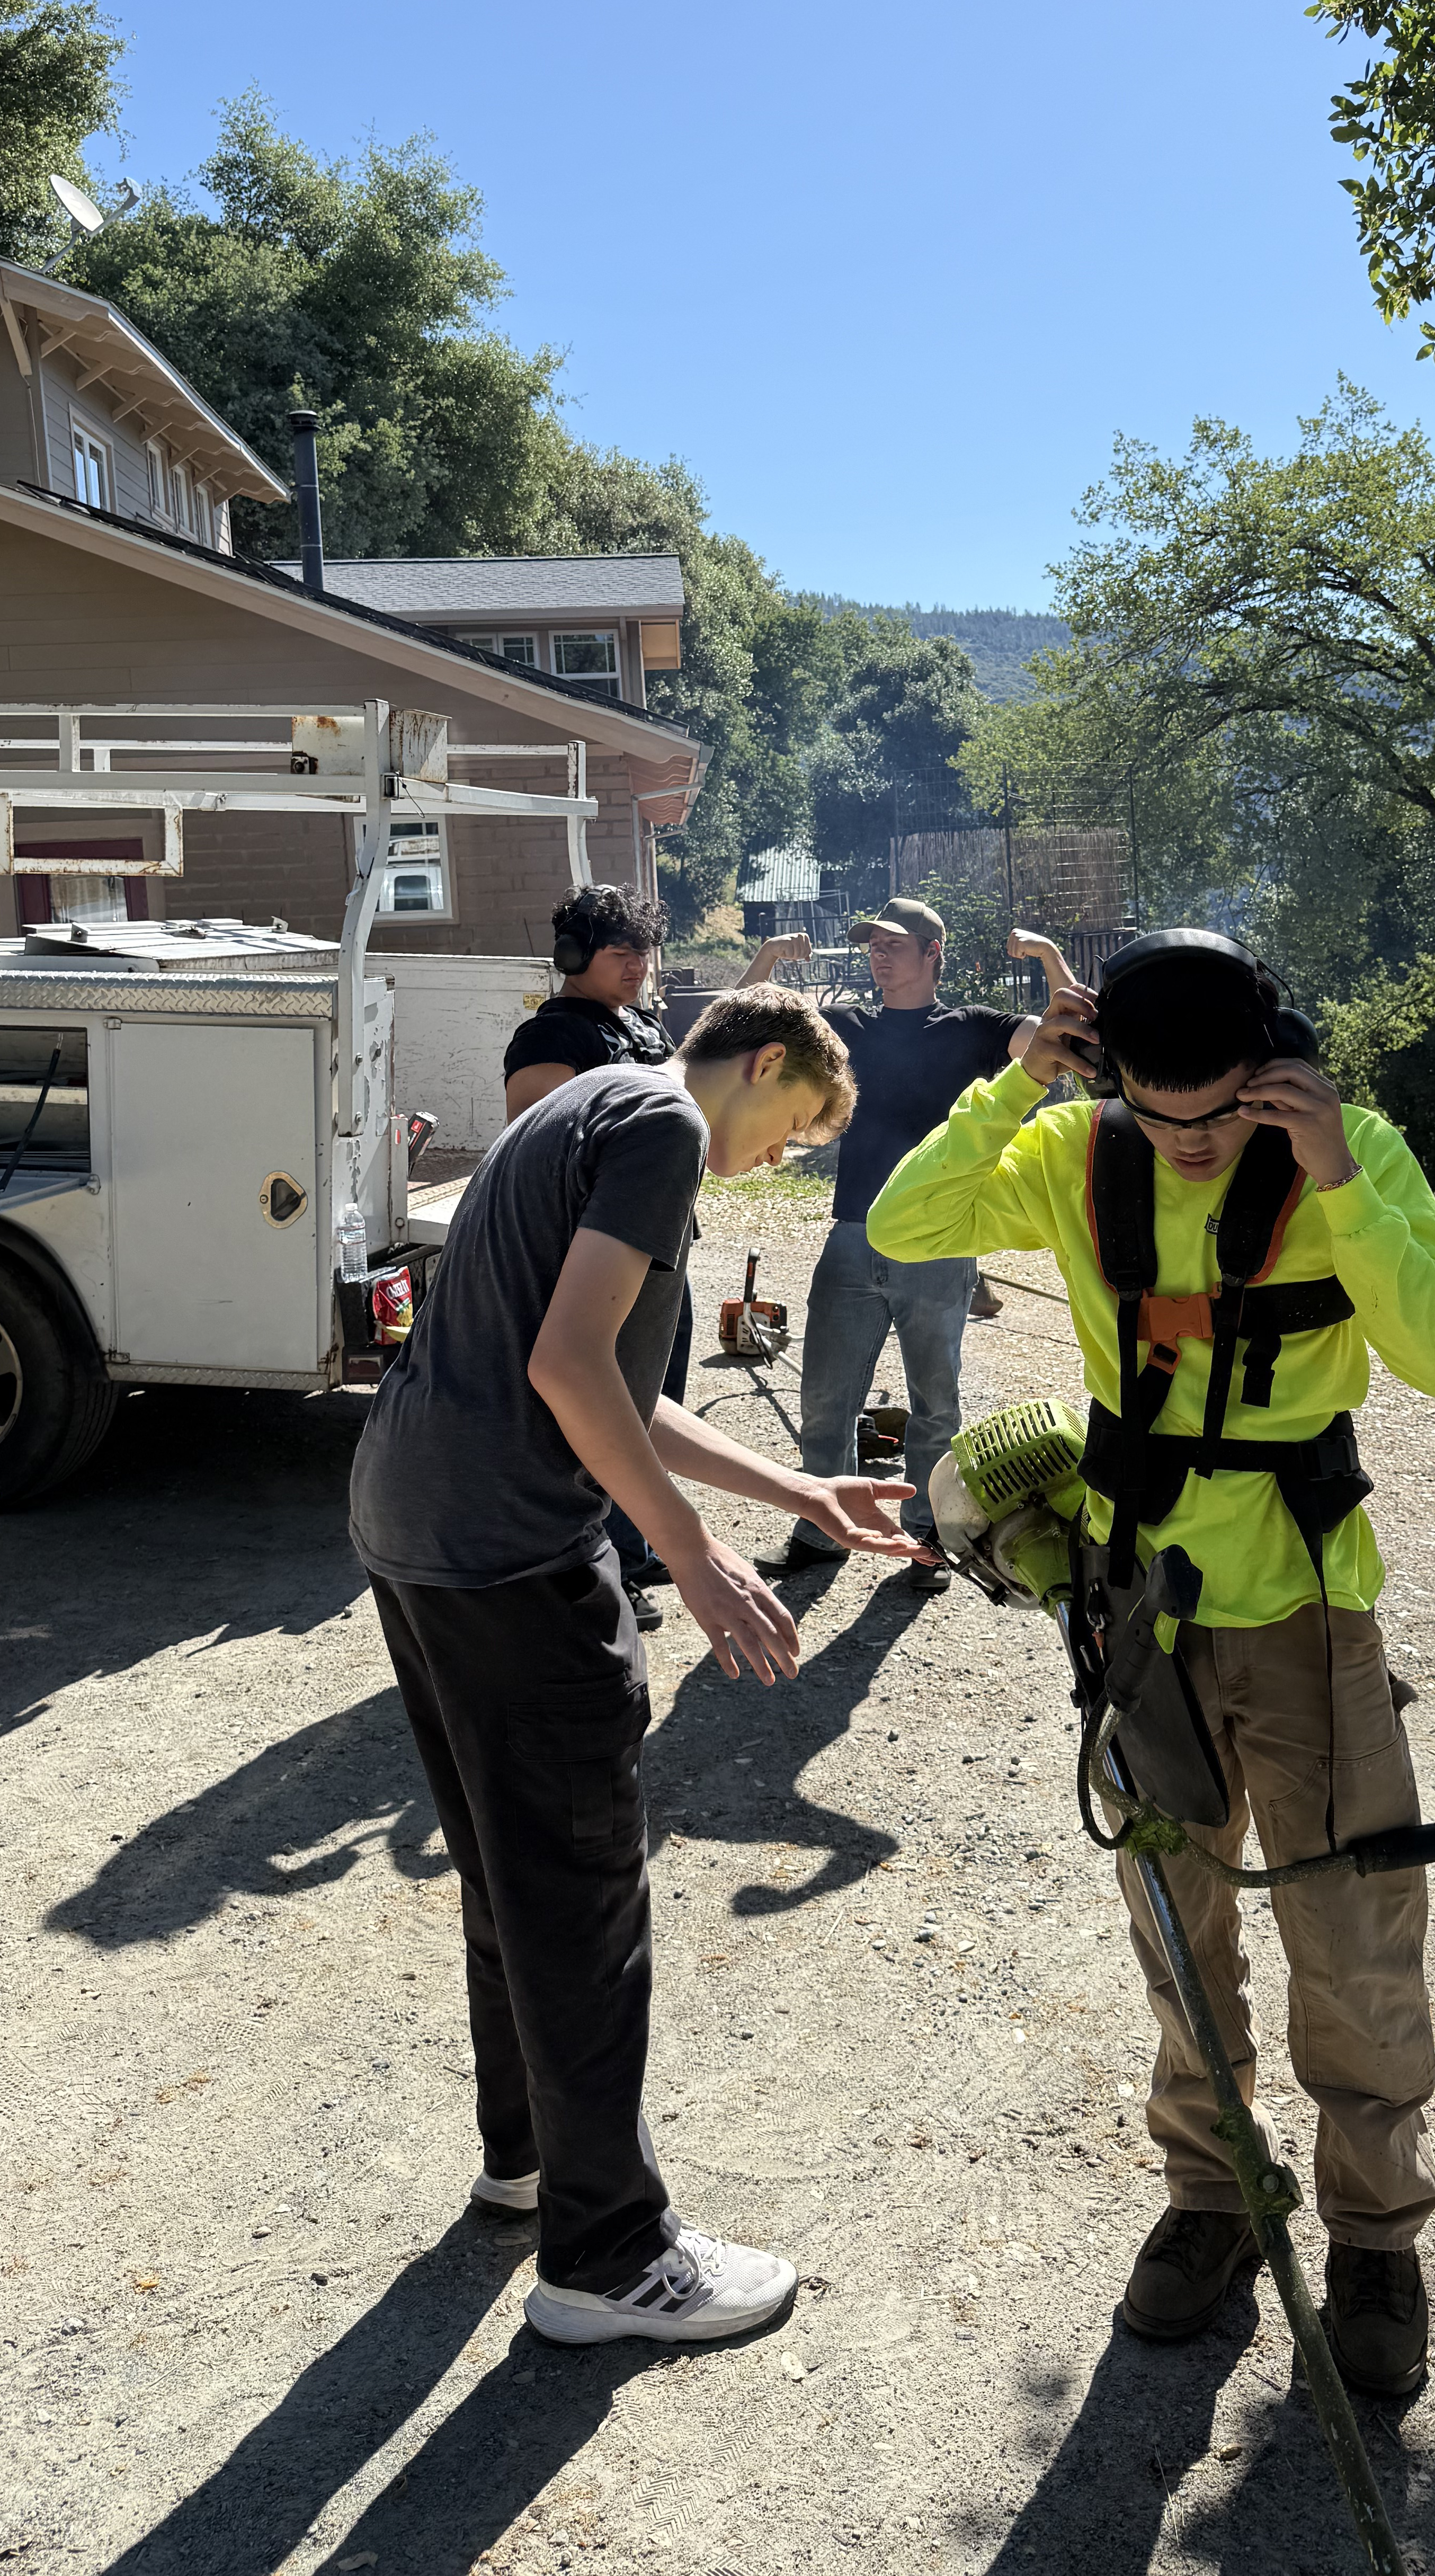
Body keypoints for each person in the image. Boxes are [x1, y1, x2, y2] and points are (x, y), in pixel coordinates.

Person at [865, 932, 1435, 2395]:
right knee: (1171, 1911)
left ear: (1270, 1070)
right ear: (1112, 1078)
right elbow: (904, 1223)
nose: (1193, 1148)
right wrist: (1011, 1080)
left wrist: (1333, 1171)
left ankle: (1374, 2237)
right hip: (1140, 1602)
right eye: (1162, 1117)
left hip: (1306, 1608)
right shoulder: (1081, 1153)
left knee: (1352, 1936)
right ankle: (1209, 2200)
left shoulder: (1351, 1149)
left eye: (1218, 1117)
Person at [352, 985, 919, 2348]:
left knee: (508, 1863)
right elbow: (568, 1367)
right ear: (766, 1061)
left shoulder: (584, 1109)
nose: (783, 1156)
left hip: (411, 1524)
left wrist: (794, 1493)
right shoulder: (663, 1126)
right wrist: (694, 1554)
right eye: (796, 1127)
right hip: (508, 1551)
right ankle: (606, 2258)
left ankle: (531, 2162)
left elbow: (612, 1376)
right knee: (585, 1892)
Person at [501, 884, 812, 1631]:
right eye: (619, 952)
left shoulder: (635, 1026)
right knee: (605, 1405)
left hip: (660, 1247)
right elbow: (554, 1158)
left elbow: (707, 1065)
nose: (638, 965)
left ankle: (635, 1548)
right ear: (574, 956)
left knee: (651, 1400)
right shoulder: (552, 1040)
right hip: (597, 1256)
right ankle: (602, 1564)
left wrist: (764, 966)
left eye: (644, 950)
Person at [755, 896, 1048, 1594]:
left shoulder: (974, 1027)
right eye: (871, 946)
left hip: (940, 1241)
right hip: (853, 1234)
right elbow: (735, 1033)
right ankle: (820, 1532)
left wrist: (1047, 959)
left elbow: (1059, 1043)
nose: (878, 955)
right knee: (826, 1396)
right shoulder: (848, 1025)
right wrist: (767, 962)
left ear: (932, 953)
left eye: (894, 944)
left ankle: (928, 1542)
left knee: (935, 1402)